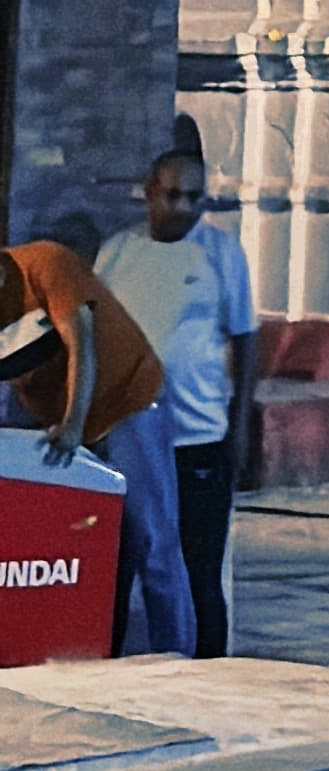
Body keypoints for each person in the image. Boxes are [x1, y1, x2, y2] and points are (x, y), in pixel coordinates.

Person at [95, 150, 255, 658]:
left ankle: (206, 670)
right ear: (149, 192)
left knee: (197, 565)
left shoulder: (220, 253)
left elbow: (245, 340)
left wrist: (241, 425)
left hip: (198, 435)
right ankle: (107, 665)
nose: (185, 207)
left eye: (195, 196)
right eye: (173, 194)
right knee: (118, 564)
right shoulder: (118, 254)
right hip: (128, 435)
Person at [0, 232, 187, 654]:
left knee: (153, 543)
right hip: (51, 419)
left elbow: (81, 343)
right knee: (93, 552)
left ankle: (182, 661)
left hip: (126, 402)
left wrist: (73, 426)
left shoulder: (47, 263)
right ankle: (106, 659)